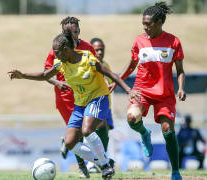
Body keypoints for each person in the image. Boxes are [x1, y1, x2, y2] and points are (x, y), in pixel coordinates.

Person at [8, 30, 139, 179]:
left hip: (98, 97)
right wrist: (23, 75)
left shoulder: (88, 59)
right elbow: (45, 75)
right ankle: (105, 161)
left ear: (66, 49)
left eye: (57, 52)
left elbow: (110, 74)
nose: (55, 55)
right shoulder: (60, 63)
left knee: (87, 130)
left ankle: (104, 166)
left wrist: (128, 89)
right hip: (80, 103)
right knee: (70, 143)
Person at [111, 2, 186, 180]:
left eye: (148, 24)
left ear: (160, 22)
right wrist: (117, 81)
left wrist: (181, 88)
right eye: (143, 23)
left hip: (165, 94)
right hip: (141, 90)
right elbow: (131, 66)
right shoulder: (139, 41)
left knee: (168, 131)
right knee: (131, 118)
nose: (145, 27)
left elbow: (180, 70)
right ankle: (145, 133)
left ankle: (175, 171)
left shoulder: (173, 42)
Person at [44, 16, 110, 178]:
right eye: (67, 32)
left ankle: (103, 161)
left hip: (88, 95)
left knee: (94, 128)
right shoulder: (57, 48)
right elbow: (46, 73)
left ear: (79, 31)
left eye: (74, 31)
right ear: (62, 33)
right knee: (75, 136)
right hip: (66, 98)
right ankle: (82, 166)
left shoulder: (87, 48)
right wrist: (57, 83)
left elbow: (96, 68)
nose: (72, 35)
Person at [85, 37, 114, 173]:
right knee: (90, 131)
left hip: (106, 104)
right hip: (94, 102)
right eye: (96, 49)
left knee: (105, 132)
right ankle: (91, 164)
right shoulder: (88, 65)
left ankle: (103, 159)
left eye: (101, 49)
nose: (100, 52)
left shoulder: (106, 65)